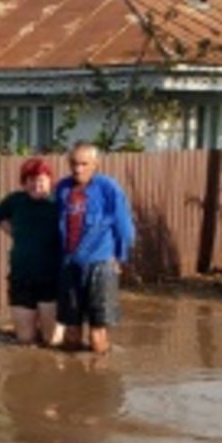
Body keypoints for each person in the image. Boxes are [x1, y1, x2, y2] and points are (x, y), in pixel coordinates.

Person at [55, 141, 135, 356]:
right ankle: (70, 380)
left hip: (100, 264)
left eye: (84, 164)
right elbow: (56, 226)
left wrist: (120, 257)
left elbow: (124, 226)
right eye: (73, 163)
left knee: (97, 334)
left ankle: (100, 379)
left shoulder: (108, 188)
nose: (78, 169)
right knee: (70, 332)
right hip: (70, 265)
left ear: (95, 164)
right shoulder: (62, 188)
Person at [0, 157, 63, 345]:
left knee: (53, 342)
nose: (36, 184)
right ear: (24, 182)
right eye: (30, 180)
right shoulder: (16, 200)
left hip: (52, 278)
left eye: (40, 179)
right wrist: (15, 233)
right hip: (21, 276)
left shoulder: (59, 202)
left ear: (49, 180)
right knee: (24, 341)